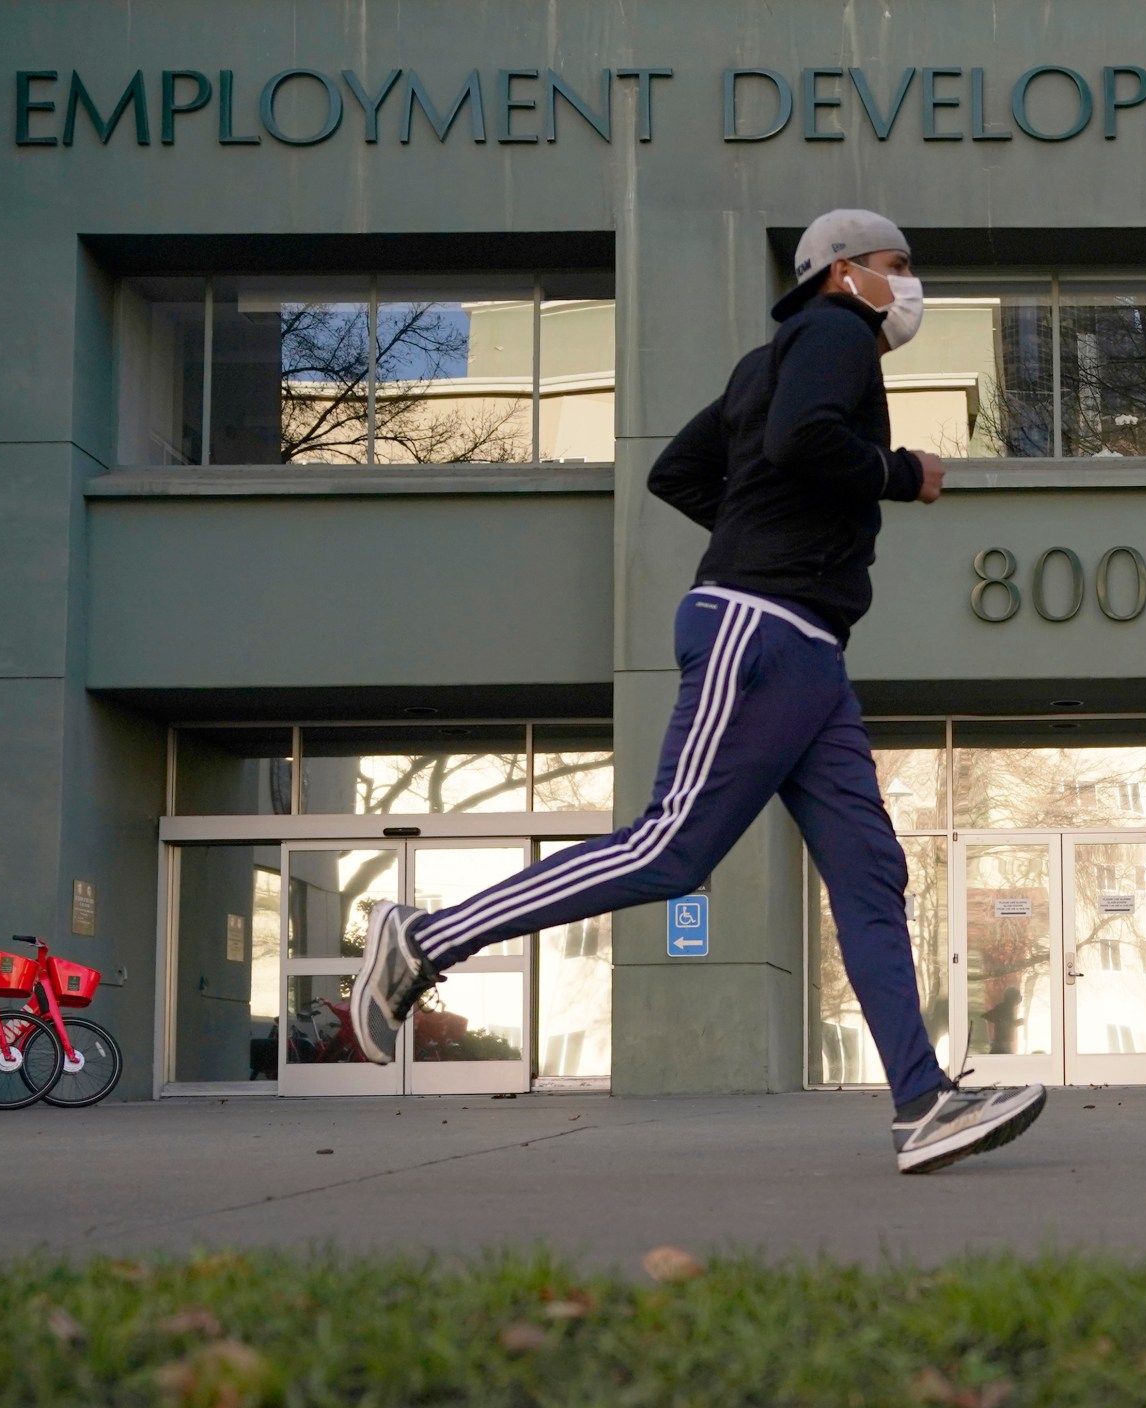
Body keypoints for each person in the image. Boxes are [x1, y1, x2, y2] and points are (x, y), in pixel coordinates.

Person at [345, 210, 1045, 1175]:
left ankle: (923, 1103)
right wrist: (899, 471)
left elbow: (679, 472)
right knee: (672, 850)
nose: (908, 282)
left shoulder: (764, 362)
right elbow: (805, 443)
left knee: (871, 876)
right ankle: (424, 938)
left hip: (808, 656)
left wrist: (763, 524)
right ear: (844, 273)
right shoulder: (836, 335)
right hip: (760, 631)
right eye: (897, 265)